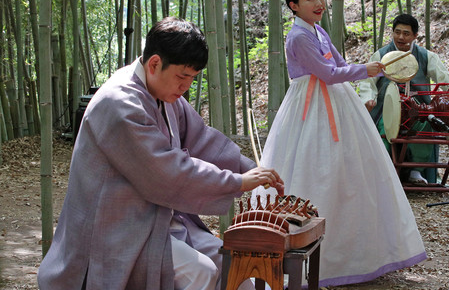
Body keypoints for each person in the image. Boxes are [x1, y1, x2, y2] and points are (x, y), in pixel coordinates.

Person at [38, 17, 284, 290]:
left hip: (159, 218)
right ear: (154, 63)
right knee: (200, 272)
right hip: (117, 229)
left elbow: (202, 139)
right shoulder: (120, 104)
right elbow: (168, 172)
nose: (186, 87)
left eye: (192, 78)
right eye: (183, 76)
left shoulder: (163, 93)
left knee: (232, 270)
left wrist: (250, 170)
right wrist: (237, 182)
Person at [253, 0, 427, 287]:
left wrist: (361, 86)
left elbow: (339, 64)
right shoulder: (298, 37)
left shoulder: (318, 31)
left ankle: (362, 254)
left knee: (353, 173)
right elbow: (326, 73)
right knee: (314, 171)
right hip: (311, 109)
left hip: (334, 102)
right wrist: (366, 70)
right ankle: (313, 253)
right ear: (293, 6)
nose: (319, 3)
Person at [358, 13, 449, 184]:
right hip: (387, 107)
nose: (400, 37)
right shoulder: (381, 55)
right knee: (386, 127)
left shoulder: (425, 56)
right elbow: (368, 81)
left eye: (406, 33)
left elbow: (443, 78)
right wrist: (368, 99)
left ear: (415, 36)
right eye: (397, 32)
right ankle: (383, 172)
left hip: (419, 110)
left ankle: (416, 170)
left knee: (428, 122)